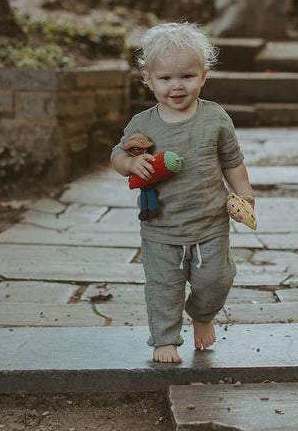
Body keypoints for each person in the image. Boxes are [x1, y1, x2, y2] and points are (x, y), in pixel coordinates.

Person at [110, 22, 254, 363]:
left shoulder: (215, 118)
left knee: (216, 279)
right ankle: (165, 339)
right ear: (148, 79)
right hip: (161, 227)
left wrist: (244, 194)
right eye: (165, 79)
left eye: (187, 77)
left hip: (210, 221)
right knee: (163, 286)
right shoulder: (142, 124)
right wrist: (131, 166)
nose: (177, 86)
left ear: (203, 76)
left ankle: (202, 314)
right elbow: (117, 154)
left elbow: (233, 161)